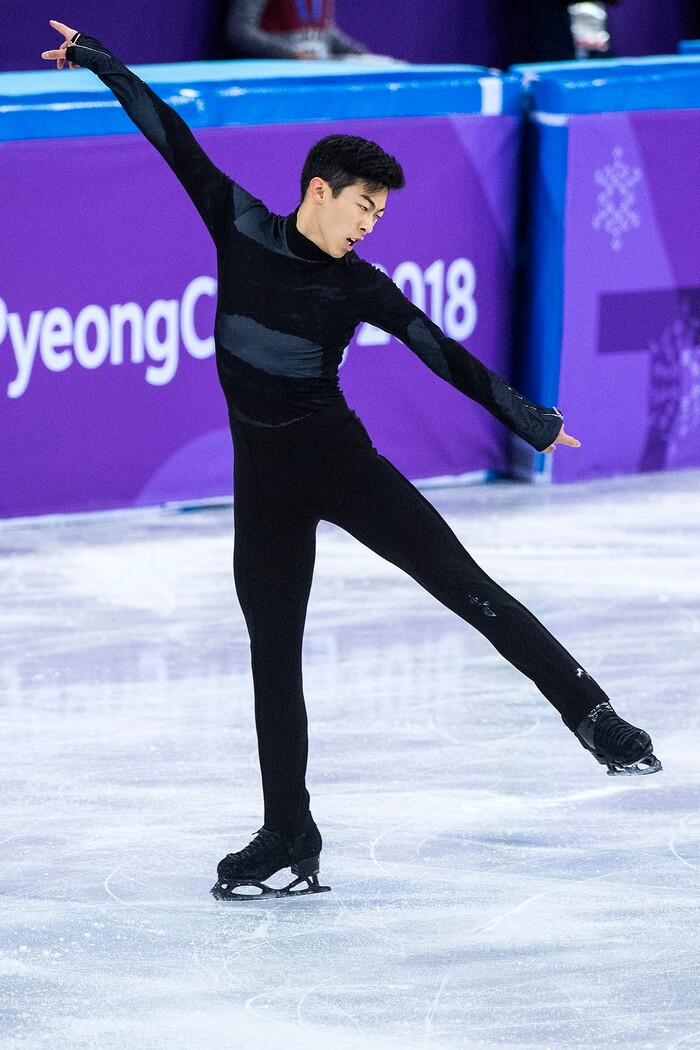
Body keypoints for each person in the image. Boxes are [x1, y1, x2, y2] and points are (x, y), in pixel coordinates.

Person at [43, 21, 661, 902]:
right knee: (273, 657)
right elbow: (167, 131)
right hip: (265, 485)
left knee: (464, 583)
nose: (372, 222)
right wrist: (102, 58)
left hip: (341, 464)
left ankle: (592, 714)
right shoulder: (238, 223)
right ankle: (289, 830)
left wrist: (527, 418)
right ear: (319, 191)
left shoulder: (360, 284)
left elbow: (441, 352)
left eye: (380, 211)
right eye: (364, 205)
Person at [225, 0, 368, 61]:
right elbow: (241, 31)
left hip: (317, 74)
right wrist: (291, 54)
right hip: (280, 78)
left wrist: (362, 55)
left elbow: (323, 32)